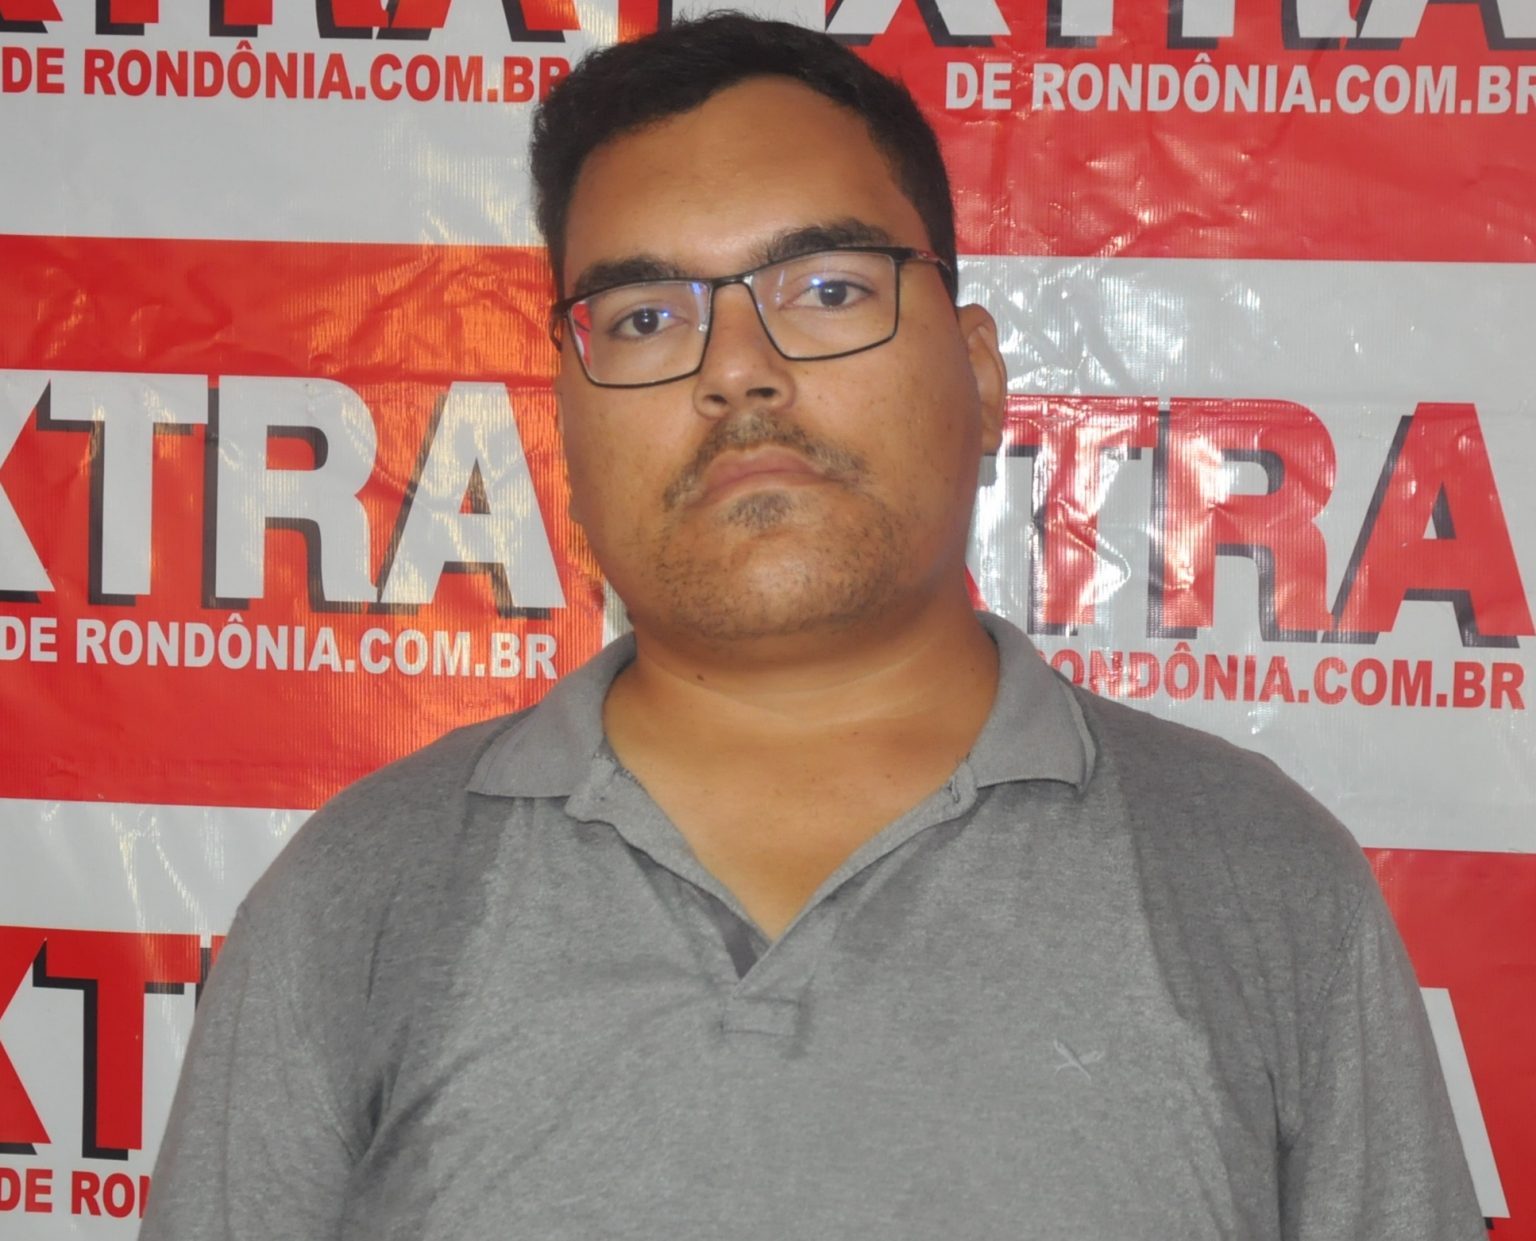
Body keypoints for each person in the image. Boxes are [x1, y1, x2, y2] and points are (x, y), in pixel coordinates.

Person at [142, 14, 1485, 1240]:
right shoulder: (360, 903)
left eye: (827, 289)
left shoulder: (1257, 882)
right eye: (647, 315)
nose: (739, 370)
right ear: (567, 429)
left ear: (980, 373)